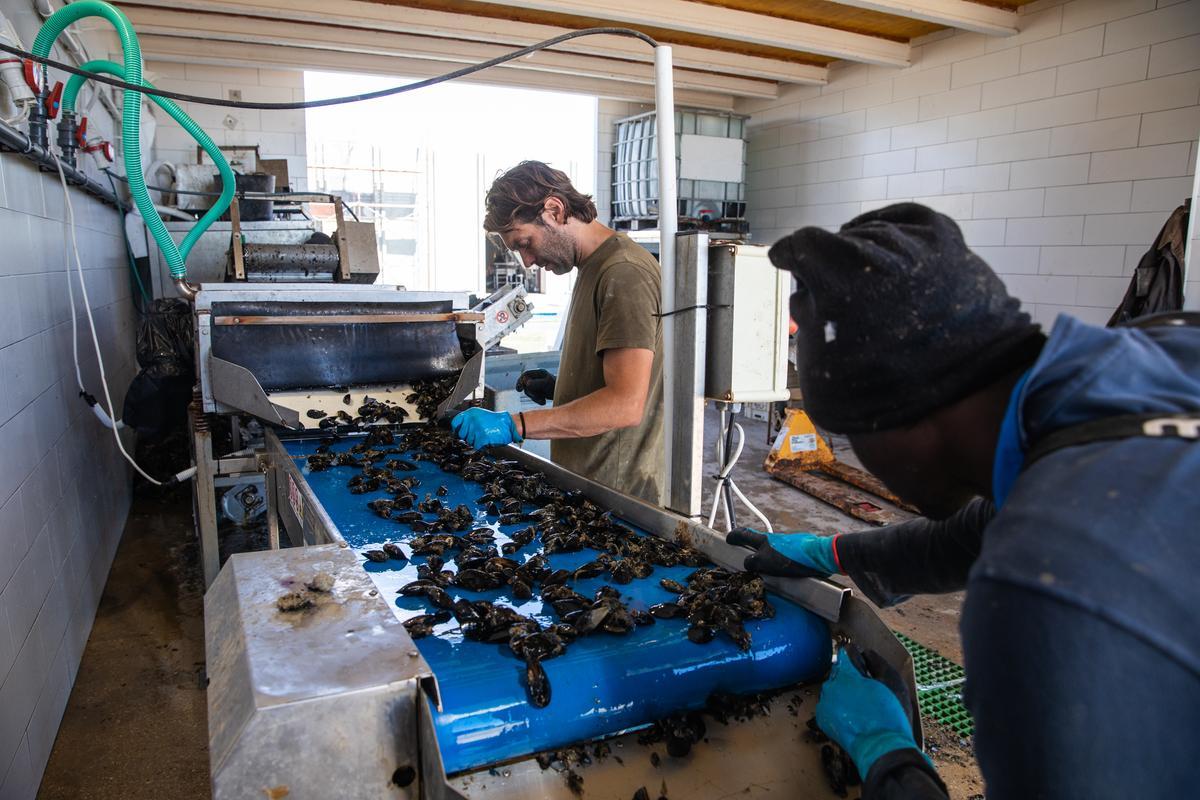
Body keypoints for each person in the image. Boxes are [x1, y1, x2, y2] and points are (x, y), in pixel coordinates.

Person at [729, 203, 1200, 798]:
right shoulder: (1157, 355)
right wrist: (833, 552)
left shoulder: (1044, 594)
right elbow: (999, 518)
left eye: (853, 436)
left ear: (904, 423)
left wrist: (891, 758)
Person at [451, 161, 665, 504]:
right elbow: (614, 379)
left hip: (618, 500)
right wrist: (560, 387)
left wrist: (513, 424)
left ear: (554, 210)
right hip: (587, 486)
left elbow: (625, 404)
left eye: (525, 243)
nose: (528, 261)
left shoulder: (624, 272)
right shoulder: (593, 267)